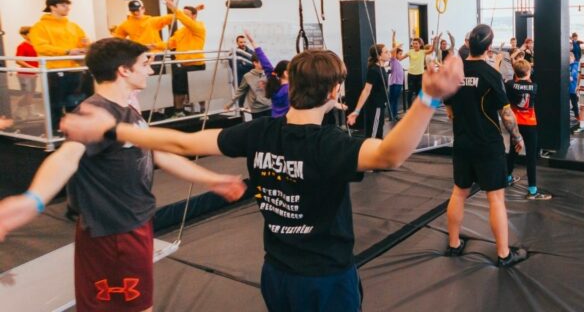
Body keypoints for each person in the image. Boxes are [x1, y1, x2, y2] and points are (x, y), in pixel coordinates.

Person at [60, 47, 466, 311]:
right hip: (325, 278)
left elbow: (182, 142)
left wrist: (115, 130)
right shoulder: (330, 144)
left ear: (290, 87)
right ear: (335, 90)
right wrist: (428, 98)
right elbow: (390, 154)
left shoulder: (258, 132)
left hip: (277, 274)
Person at [0, 38, 245, 312]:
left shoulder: (128, 111)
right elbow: (67, 157)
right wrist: (33, 200)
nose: (150, 71)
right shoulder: (95, 113)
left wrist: (212, 180)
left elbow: (159, 154)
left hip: (131, 224)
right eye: (144, 64)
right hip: (114, 232)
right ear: (123, 70)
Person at [443, 24, 527, 267]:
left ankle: (454, 244)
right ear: (490, 48)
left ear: (468, 44)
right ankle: (503, 254)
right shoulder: (492, 75)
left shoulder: (455, 74)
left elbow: (449, 111)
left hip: (462, 143)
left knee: (459, 192)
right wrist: (517, 137)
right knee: (496, 199)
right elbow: (506, 114)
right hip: (488, 145)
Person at [29, 0, 89, 131]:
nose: (67, 8)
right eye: (63, 5)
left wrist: (84, 46)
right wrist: (67, 51)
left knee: (75, 102)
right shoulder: (40, 27)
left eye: (68, 5)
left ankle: (75, 129)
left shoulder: (73, 26)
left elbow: (83, 41)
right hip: (54, 71)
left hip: (75, 69)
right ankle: (56, 130)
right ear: (52, 7)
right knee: (56, 103)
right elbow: (41, 47)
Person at [505, 59, 551, 201]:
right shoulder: (534, 86)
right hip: (530, 124)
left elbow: (510, 82)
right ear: (529, 72)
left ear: (515, 73)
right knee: (531, 156)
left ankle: (507, 177)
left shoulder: (510, 85)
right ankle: (532, 190)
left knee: (513, 151)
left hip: (515, 125)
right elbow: (529, 81)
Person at [164, 0, 206, 115]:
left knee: (199, 90)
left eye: (187, 14)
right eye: (183, 14)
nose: (184, 17)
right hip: (181, 65)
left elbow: (186, 21)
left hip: (196, 65)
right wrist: (152, 46)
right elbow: (170, 43)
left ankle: (203, 112)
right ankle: (179, 111)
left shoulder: (199, 27)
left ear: (194, 16)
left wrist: (174, 9)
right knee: (179, 90)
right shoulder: (180, 32)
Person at [347, 44, 391, 138]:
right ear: (379, 56)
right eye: (386, 52)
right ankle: (370, 152)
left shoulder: (381, 68)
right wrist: (357, 111)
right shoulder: (374, 70)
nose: (389, 54)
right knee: (374, 135)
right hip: (376, 107)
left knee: (378, 132)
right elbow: (366, 91)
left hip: (380, 106)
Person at [244, 31, 290, 118]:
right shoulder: (290, 89)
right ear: (286, 73)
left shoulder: (273, 80)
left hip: (274, 119)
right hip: (286, 123)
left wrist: (253, 42)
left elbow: (264, 61)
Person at [229, 54, 272, 120]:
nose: (264, 63)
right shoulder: (247, 76)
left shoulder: (269, 74)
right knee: (258, 129)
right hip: (256, 109)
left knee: (271, 128)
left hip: (269, 107)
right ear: (255, 63)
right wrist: (230, 103)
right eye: (261, 62)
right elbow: (240, 91)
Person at [400, 37, 433, 109]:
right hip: (411, 74)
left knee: (419, 92)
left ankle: (419, 108)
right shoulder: (410, 52)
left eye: (416, 44)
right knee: (410, 92)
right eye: (413, 43)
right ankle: (409, 108)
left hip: (420, 74)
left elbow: (431, 50)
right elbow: (400, 58)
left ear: (420, 44)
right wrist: (396, 48)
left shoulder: (423, 51)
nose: (414, 45)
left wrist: (435, 41)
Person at [16, 26, 39, 116]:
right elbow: (18, 60)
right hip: (24, 75)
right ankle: (32, 113)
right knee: (28, 94)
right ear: (24, 35)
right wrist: (31, 67)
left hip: (33, 74)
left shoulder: (36, 45)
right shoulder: (22, 46)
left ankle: (17, 112)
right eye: (30, 33)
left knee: (29, 94)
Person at [568, 51, 580, 120]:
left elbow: (575, 74)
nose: (569, 60)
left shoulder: (575, 65)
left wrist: (571, 76)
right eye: (568, 59)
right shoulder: (566, 65)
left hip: (573, 89)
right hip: (567, 89)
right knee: (566, 104)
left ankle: (577, 115)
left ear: (573, 58)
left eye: (570, 58)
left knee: (574, 103)